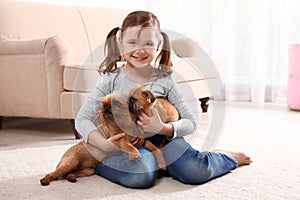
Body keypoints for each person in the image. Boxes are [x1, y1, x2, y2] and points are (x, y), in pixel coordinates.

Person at [75, 10, 252, 189]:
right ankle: (105, 165)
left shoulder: (165, 79)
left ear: (159, 43)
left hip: (166, 141)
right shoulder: (110, 79)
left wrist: (162, 128)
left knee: (195, 170)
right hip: (134, 145)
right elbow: (81, 119)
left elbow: (190, 121)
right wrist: (104, 145)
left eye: (148, 43)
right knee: (141, 176)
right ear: (120, 42)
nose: (140, 50)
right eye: (132, 42)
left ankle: (224, 157)